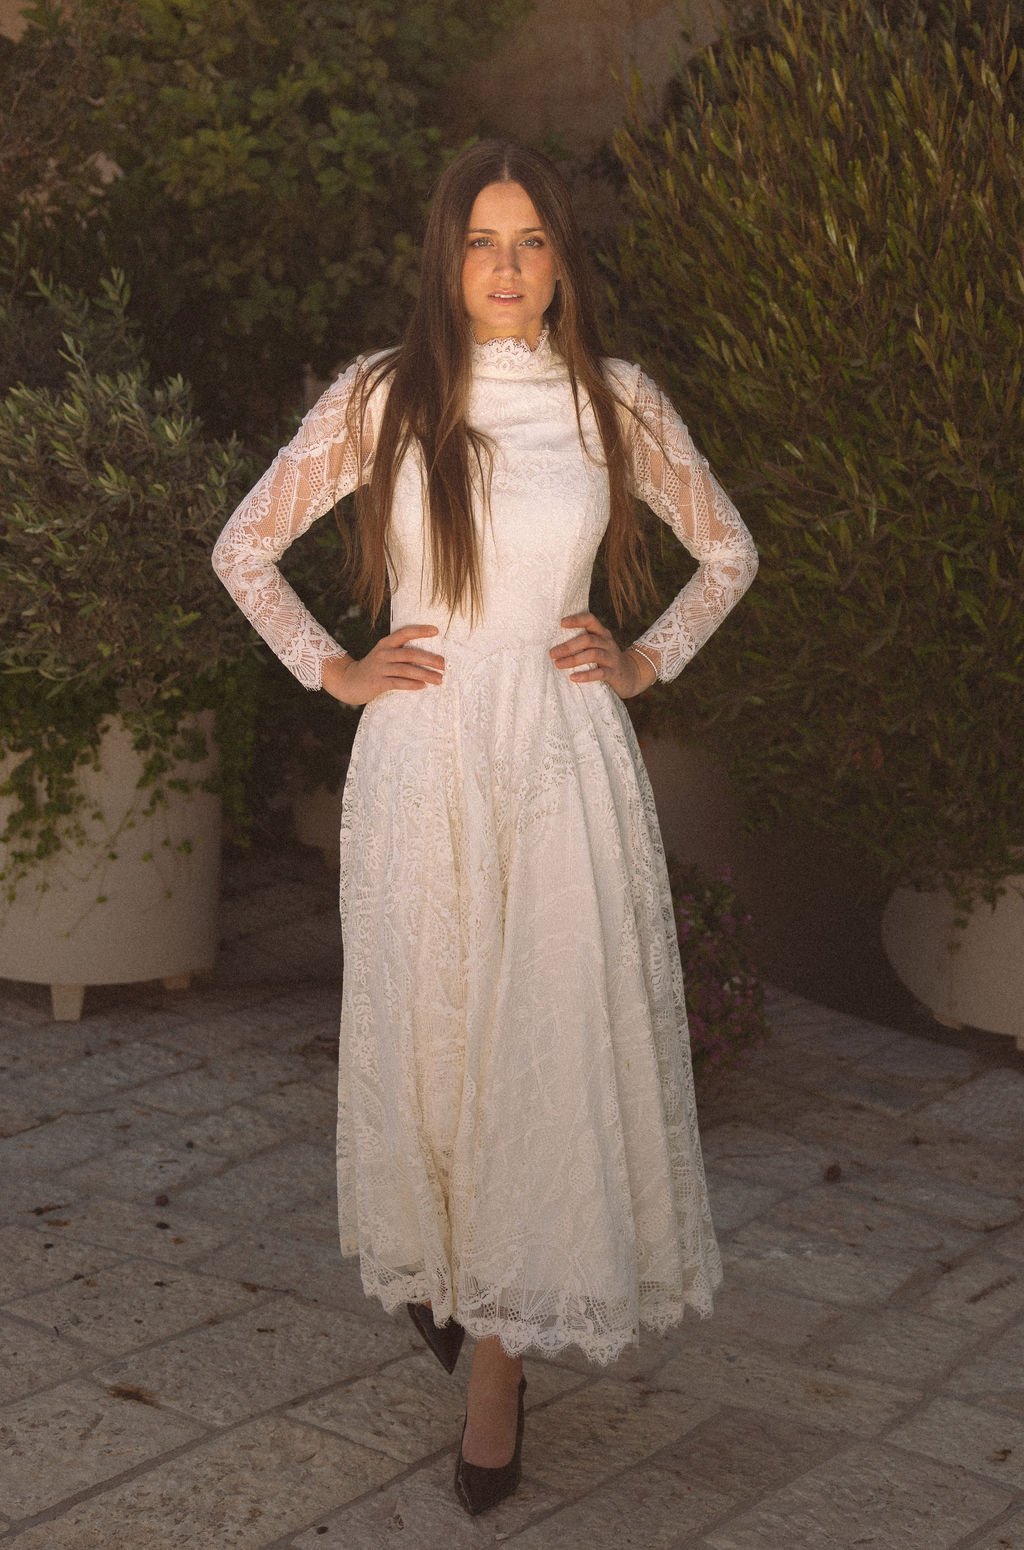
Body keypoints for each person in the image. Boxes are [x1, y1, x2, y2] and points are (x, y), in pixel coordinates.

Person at [212, 138, 757, 1517]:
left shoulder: (612, 402)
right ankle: (454, 1282)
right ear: (446, 263)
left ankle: (497, 1367)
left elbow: (730, 549)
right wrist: (333, 670)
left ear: (562, 262)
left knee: (533, 1049)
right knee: (438, 1038)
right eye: (480, 242)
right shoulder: (385, 399)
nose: (506, 267)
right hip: (423, 758)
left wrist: (647, 659)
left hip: (562, 760)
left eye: (529, 241)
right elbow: (244, 548)